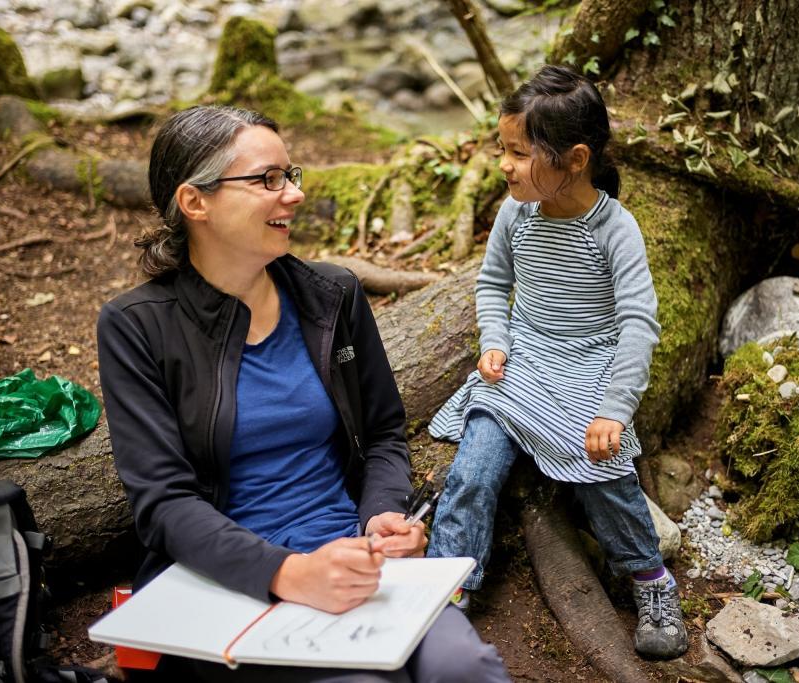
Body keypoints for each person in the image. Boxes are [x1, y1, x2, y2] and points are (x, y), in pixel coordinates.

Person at [96, 105, 511, 682]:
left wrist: (383, 517)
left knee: (465, 667)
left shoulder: (330, 295)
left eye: (292, 175)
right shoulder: (137, 326)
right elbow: (164, 505)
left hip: (355, 561)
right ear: (196, 203)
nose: (292, 195)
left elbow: (384, 433)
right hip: (230, 583)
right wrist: (288, 573)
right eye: (268, 179)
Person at [426, 65, 688, 660]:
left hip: (589, 370)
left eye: (518, 152)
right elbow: (493, 284)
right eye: (503, 149)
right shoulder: (514, 215)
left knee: (604, 473)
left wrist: (614, 410)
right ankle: (446, 590)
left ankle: (649, 579)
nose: (503, 165)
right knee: (473, 470)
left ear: (573, 158)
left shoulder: (615, 230)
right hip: (523, 366)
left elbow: (637, 324)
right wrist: (496, 340)